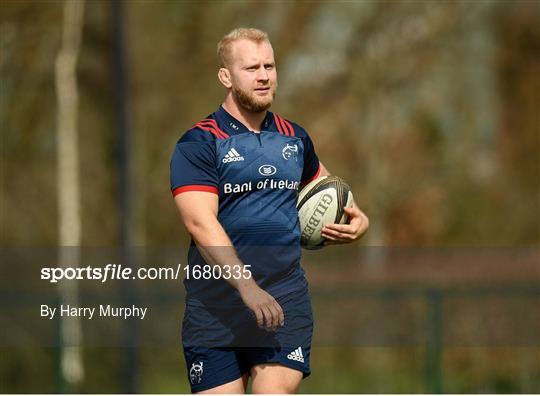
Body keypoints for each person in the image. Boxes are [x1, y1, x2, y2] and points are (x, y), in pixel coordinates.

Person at [170, 27, 369, 394]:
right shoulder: (198, 142)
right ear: (225, 77)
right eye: (251, 68)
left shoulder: (295, 138)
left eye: (269, 66)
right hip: (215, 307)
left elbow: (329, 190)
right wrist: (247, 287)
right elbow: (199, 222)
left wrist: (359, 219)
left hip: (284, 297)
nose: (263, 76)